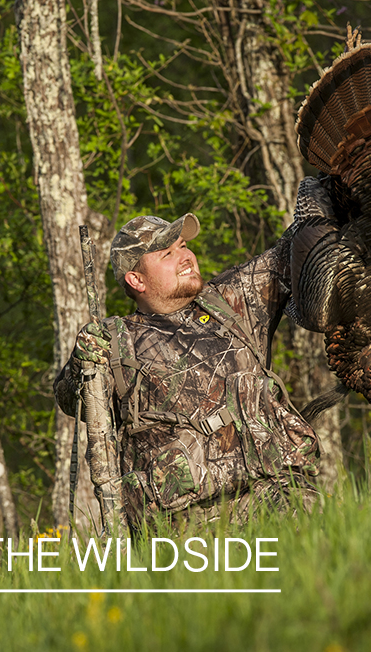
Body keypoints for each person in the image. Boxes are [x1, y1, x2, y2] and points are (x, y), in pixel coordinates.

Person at [54, 207, 322, 531]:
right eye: (168, 253)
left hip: (279, 494)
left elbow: (296, 246)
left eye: (183, 246)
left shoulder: (230, 303)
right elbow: (72, 400)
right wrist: (81, 363)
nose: (185, 256)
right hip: (189, 526)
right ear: (136, 280)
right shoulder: (115, 341)